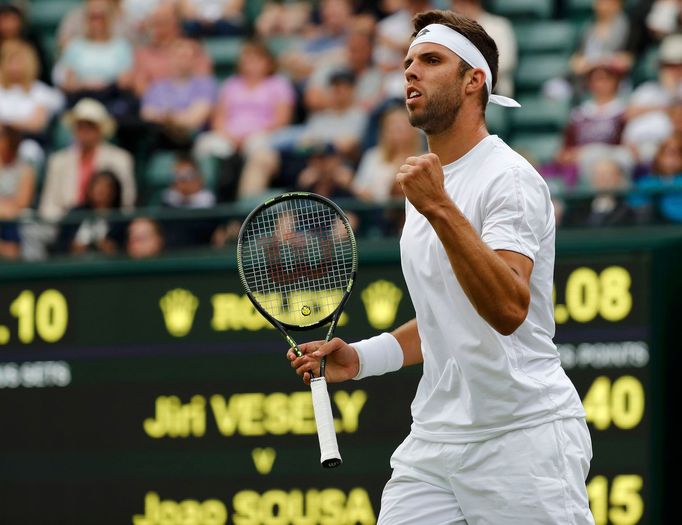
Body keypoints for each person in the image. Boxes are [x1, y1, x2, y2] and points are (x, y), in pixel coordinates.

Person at [288, 9, 594, 525]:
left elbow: (506, 309)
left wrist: (440, 207)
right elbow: (445, 320)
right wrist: (362, 358)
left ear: (474, 81)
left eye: (430, 60)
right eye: (408, 62)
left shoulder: (507, 178)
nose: (411, 71)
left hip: (522, 438)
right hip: (433, 442)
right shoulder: (427, 184)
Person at [39, 98, 136, 221]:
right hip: (65, 224)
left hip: (106, 222)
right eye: (80, 126)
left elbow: (126, 202)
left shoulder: (120, 159)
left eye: (90, 126)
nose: (84, 131)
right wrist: (64, 225)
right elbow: (48, 205)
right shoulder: (58, 161)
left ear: (100, 129)